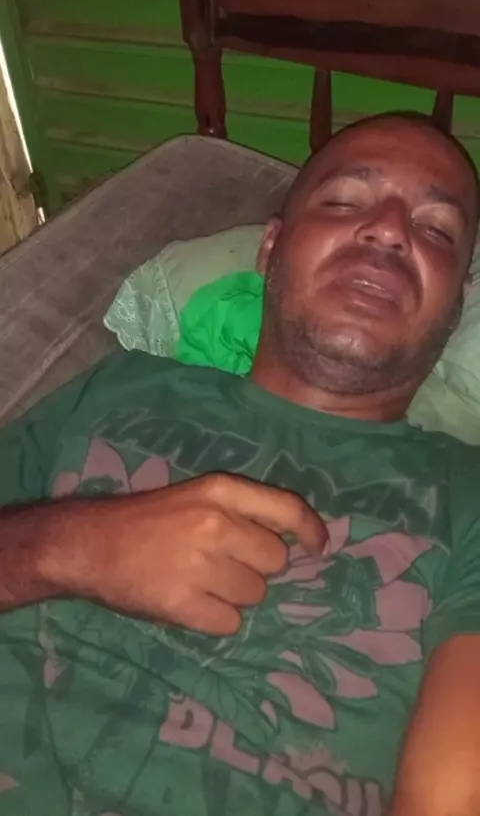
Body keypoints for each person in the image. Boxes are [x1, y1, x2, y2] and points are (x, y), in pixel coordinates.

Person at [0, 112, 479, 816]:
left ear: (456, 306)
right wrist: (66, 547)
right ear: (271, 247)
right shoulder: (119, 386)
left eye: (436, 229)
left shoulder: (468, 495)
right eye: (344, 201)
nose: (388, 230)